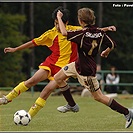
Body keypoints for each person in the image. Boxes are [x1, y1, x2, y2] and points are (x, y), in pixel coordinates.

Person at [0, 6, 117, 120]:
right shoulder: (50, 34)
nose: (56, 25)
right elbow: (33, 42)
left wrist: (106, 29)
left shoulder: (73, 30)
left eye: (58, 22)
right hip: (51, 64)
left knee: (46, 90)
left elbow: (92, 31)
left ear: (65, 22)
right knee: (32, 81)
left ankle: (29, 116)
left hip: (64, 69)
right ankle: (7, 99)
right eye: (55, 22)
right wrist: (15, 49)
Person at [54, 7, 133, 128]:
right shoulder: (99, 33)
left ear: (80, 21)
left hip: (86, 72)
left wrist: (59, 17)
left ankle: (127, 112)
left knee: (99, 97)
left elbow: (64, 33)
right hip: (77, 65)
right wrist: (106, 51)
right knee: (58, 77)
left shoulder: (81, 34)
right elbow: (112, 44)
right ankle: (72, 105)